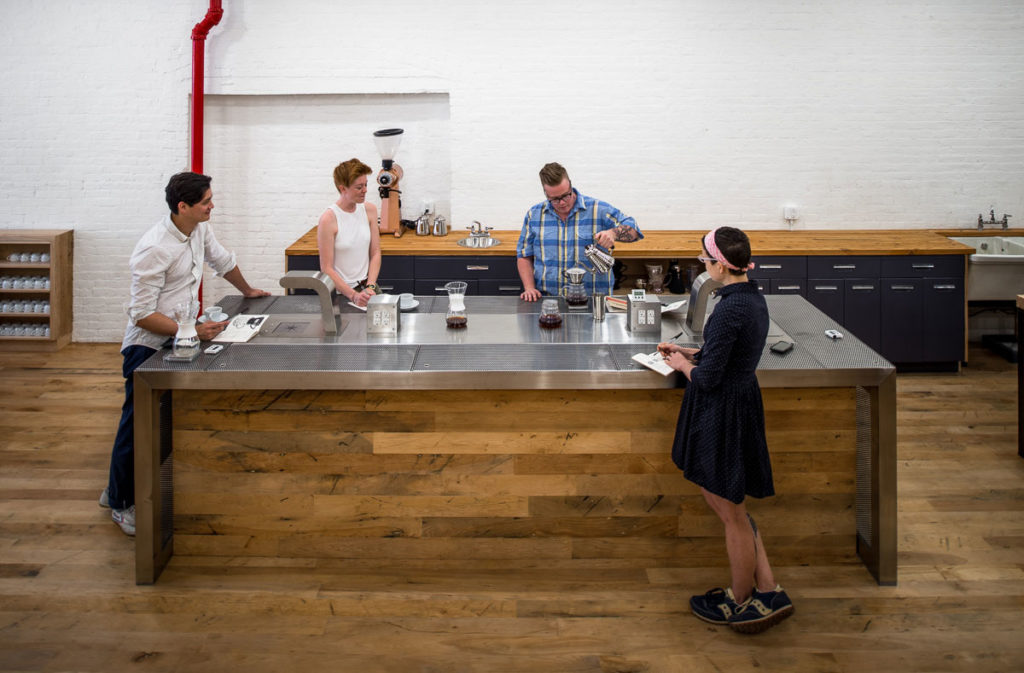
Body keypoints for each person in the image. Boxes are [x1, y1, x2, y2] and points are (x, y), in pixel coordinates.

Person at [101, 172, 270, 536]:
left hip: (180, 334)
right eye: (206, 202)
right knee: (137, 423)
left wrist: (248, 290)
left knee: (163, 417)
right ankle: (120, 503)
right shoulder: (154, 248)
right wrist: (188, 329)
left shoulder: (199, 228)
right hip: (147, 344)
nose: (212, 206)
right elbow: (141, 313)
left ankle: (116, 486)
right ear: (183, 206)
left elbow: (222, 261)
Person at [657, 226, 794, 634]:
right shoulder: (750, 297)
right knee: (732, 507)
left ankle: (740, 600)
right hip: (739, 402)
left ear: (720, 265)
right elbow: (723, 354)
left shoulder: (730, 308)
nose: (703, 265)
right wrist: (691, 352)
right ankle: (767, 588)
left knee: (731, 512)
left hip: (724, 411)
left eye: (705, 260)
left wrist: (682, 365)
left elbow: (709, 378)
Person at [516, 162, 642, 301]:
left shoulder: (598, 209)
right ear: (546, 194)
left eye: (566, 195)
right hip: (548, 300)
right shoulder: (534, 215)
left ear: (570, 185)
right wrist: (529, 288)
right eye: (555, 199)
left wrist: (613, 233)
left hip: (594, 300)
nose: (562, 202)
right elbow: (524, 255)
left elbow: (634, 230)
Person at [316, 158, 382, 307]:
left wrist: (371, 286)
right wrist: (353, 295)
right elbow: (326, 268)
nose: (365, 190)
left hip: (368, 288)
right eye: (359, 187)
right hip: (342, 293)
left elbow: (375, 252)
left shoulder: (370, 210)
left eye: (366, 185)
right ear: (343, 189)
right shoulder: (328, 219)